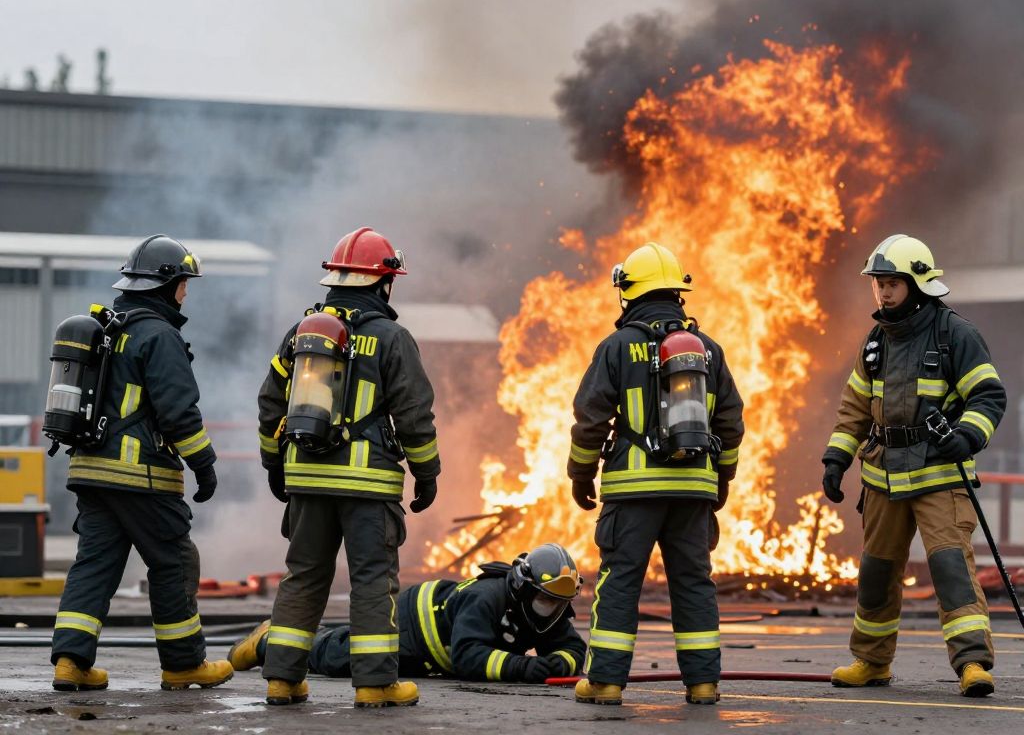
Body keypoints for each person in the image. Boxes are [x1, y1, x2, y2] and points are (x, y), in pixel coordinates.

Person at [256, 227, 441, 707]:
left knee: (303, 576)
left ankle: (282, 677)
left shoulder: (301, 334)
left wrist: (275, 465)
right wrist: (427, 473)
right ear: (384, 283)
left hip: (306, 481)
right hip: (367, 485)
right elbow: (414, 414)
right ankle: (376, 684)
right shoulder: (392, 338)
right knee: (372, 581)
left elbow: (270, 403)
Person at [822, 234, 1006, 697]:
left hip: (939, 475)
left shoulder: (954, 334)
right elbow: (855, 408)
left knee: (951, 570)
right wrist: (836, 457)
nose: (882, 293)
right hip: (883, 477)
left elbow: (987, 395)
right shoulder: (875, 341)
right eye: (878, 284)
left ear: (917, 284)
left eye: (891, 284)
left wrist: (966, 435)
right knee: (877, 573)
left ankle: (972, 664)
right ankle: (871, 661)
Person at [50, 234, 232, 692]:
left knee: (94, 565)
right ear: (165, 285)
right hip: (141, 476)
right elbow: (179, 413)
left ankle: (70, 662)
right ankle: (184, 664)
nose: (186, 293)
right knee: (173, 563)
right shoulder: (159, 336)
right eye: (183, 284)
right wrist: (204, 465)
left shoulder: (110, 328)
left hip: (90, 471)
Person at [566, 242, 745, 706]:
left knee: (621, 580)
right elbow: (730, 420)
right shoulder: (708, 350)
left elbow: (590, 417)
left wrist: (581, 474)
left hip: (633, 493)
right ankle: (703, 684)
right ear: (677, 293)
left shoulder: (617, 348)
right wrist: (722, 478)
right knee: (693, 582)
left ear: (629, 293)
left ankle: (604, 682)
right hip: (695, 490)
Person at [228, 543, 586, 683]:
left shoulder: (547, 606)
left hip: (433, 655)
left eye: (557, 602)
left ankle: (312, 632)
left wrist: (559, 664)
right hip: (413, 629)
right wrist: (528, 668)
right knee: (340, 658)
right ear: (523, 589)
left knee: (346, 646)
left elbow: (573, 649)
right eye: (545, 600)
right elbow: (468, 657)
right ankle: (268, 642)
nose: (551, 610)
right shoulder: (487, 598)